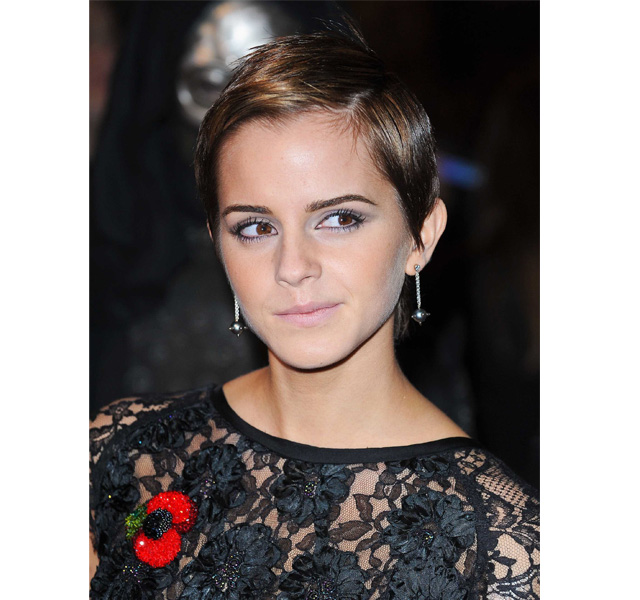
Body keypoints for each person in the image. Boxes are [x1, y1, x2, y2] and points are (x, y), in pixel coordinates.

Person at [90, 24, 539, 600]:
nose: (293, 266)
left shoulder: (503, 553)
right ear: (218, 243)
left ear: (421, 235)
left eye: (340, 219)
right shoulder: (123, 453)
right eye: (255, 227)